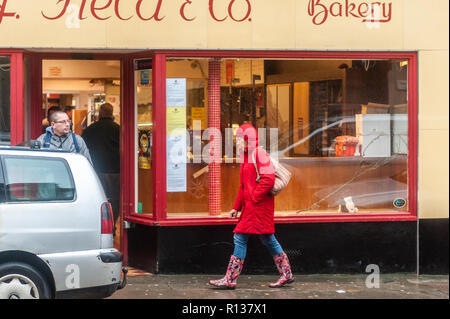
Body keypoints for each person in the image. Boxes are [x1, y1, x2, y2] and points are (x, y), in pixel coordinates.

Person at [209, 123, 294, 289]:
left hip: (259, 207)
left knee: (240, 238)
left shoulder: (259, 154)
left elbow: (268, 179)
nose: (237, 141)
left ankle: (230, 279)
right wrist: (236, 207)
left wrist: (254, 198)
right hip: (252, 207)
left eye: (240, 138)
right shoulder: (246, 156)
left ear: (248, 139)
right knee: (267, 238)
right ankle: (286, 274)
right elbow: (243, 186)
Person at [82, 103, 120, 229]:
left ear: (100, 113)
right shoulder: (118, 129)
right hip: (116, 170)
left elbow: (83, 149)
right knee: (114, 199)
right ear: (112, 112)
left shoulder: (90, 129)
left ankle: (102, 226)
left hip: (96, 170)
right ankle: (113, 224)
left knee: (99, 198)